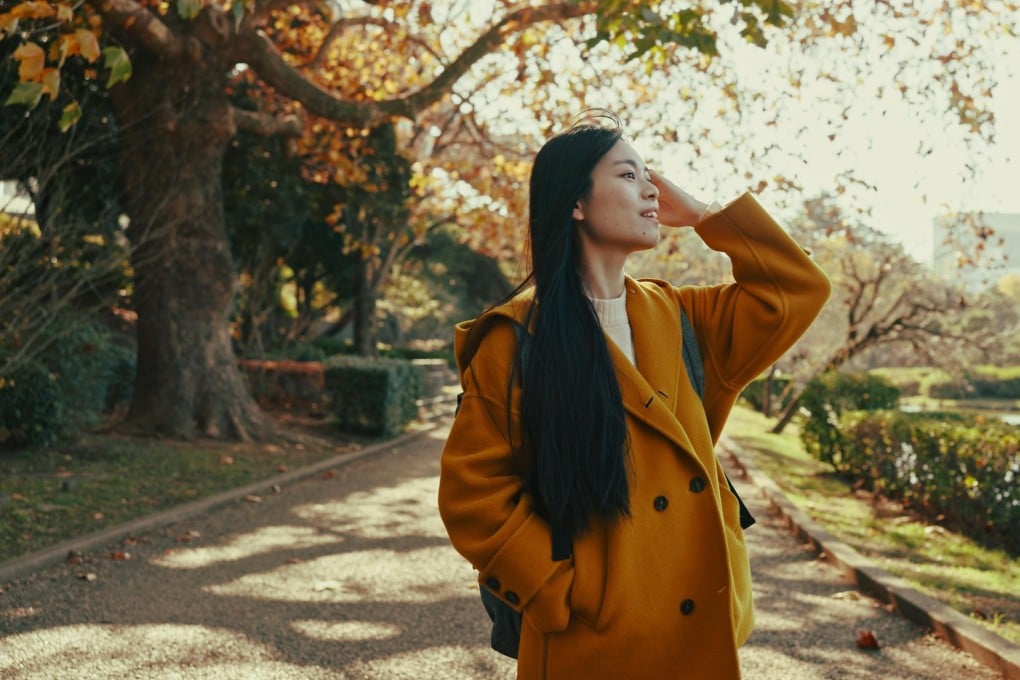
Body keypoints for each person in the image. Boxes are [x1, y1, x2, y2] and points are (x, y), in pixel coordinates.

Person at [437, 111, 831, 679]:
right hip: (587, 641)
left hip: (697, 625)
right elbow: (474, 494)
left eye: (650, 176)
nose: (650, 190)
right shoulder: (517, 335)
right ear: (576, 202)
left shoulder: (680, 317)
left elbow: (798, 289)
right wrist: (562, 591)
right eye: (628, 175)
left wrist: (702, 216)